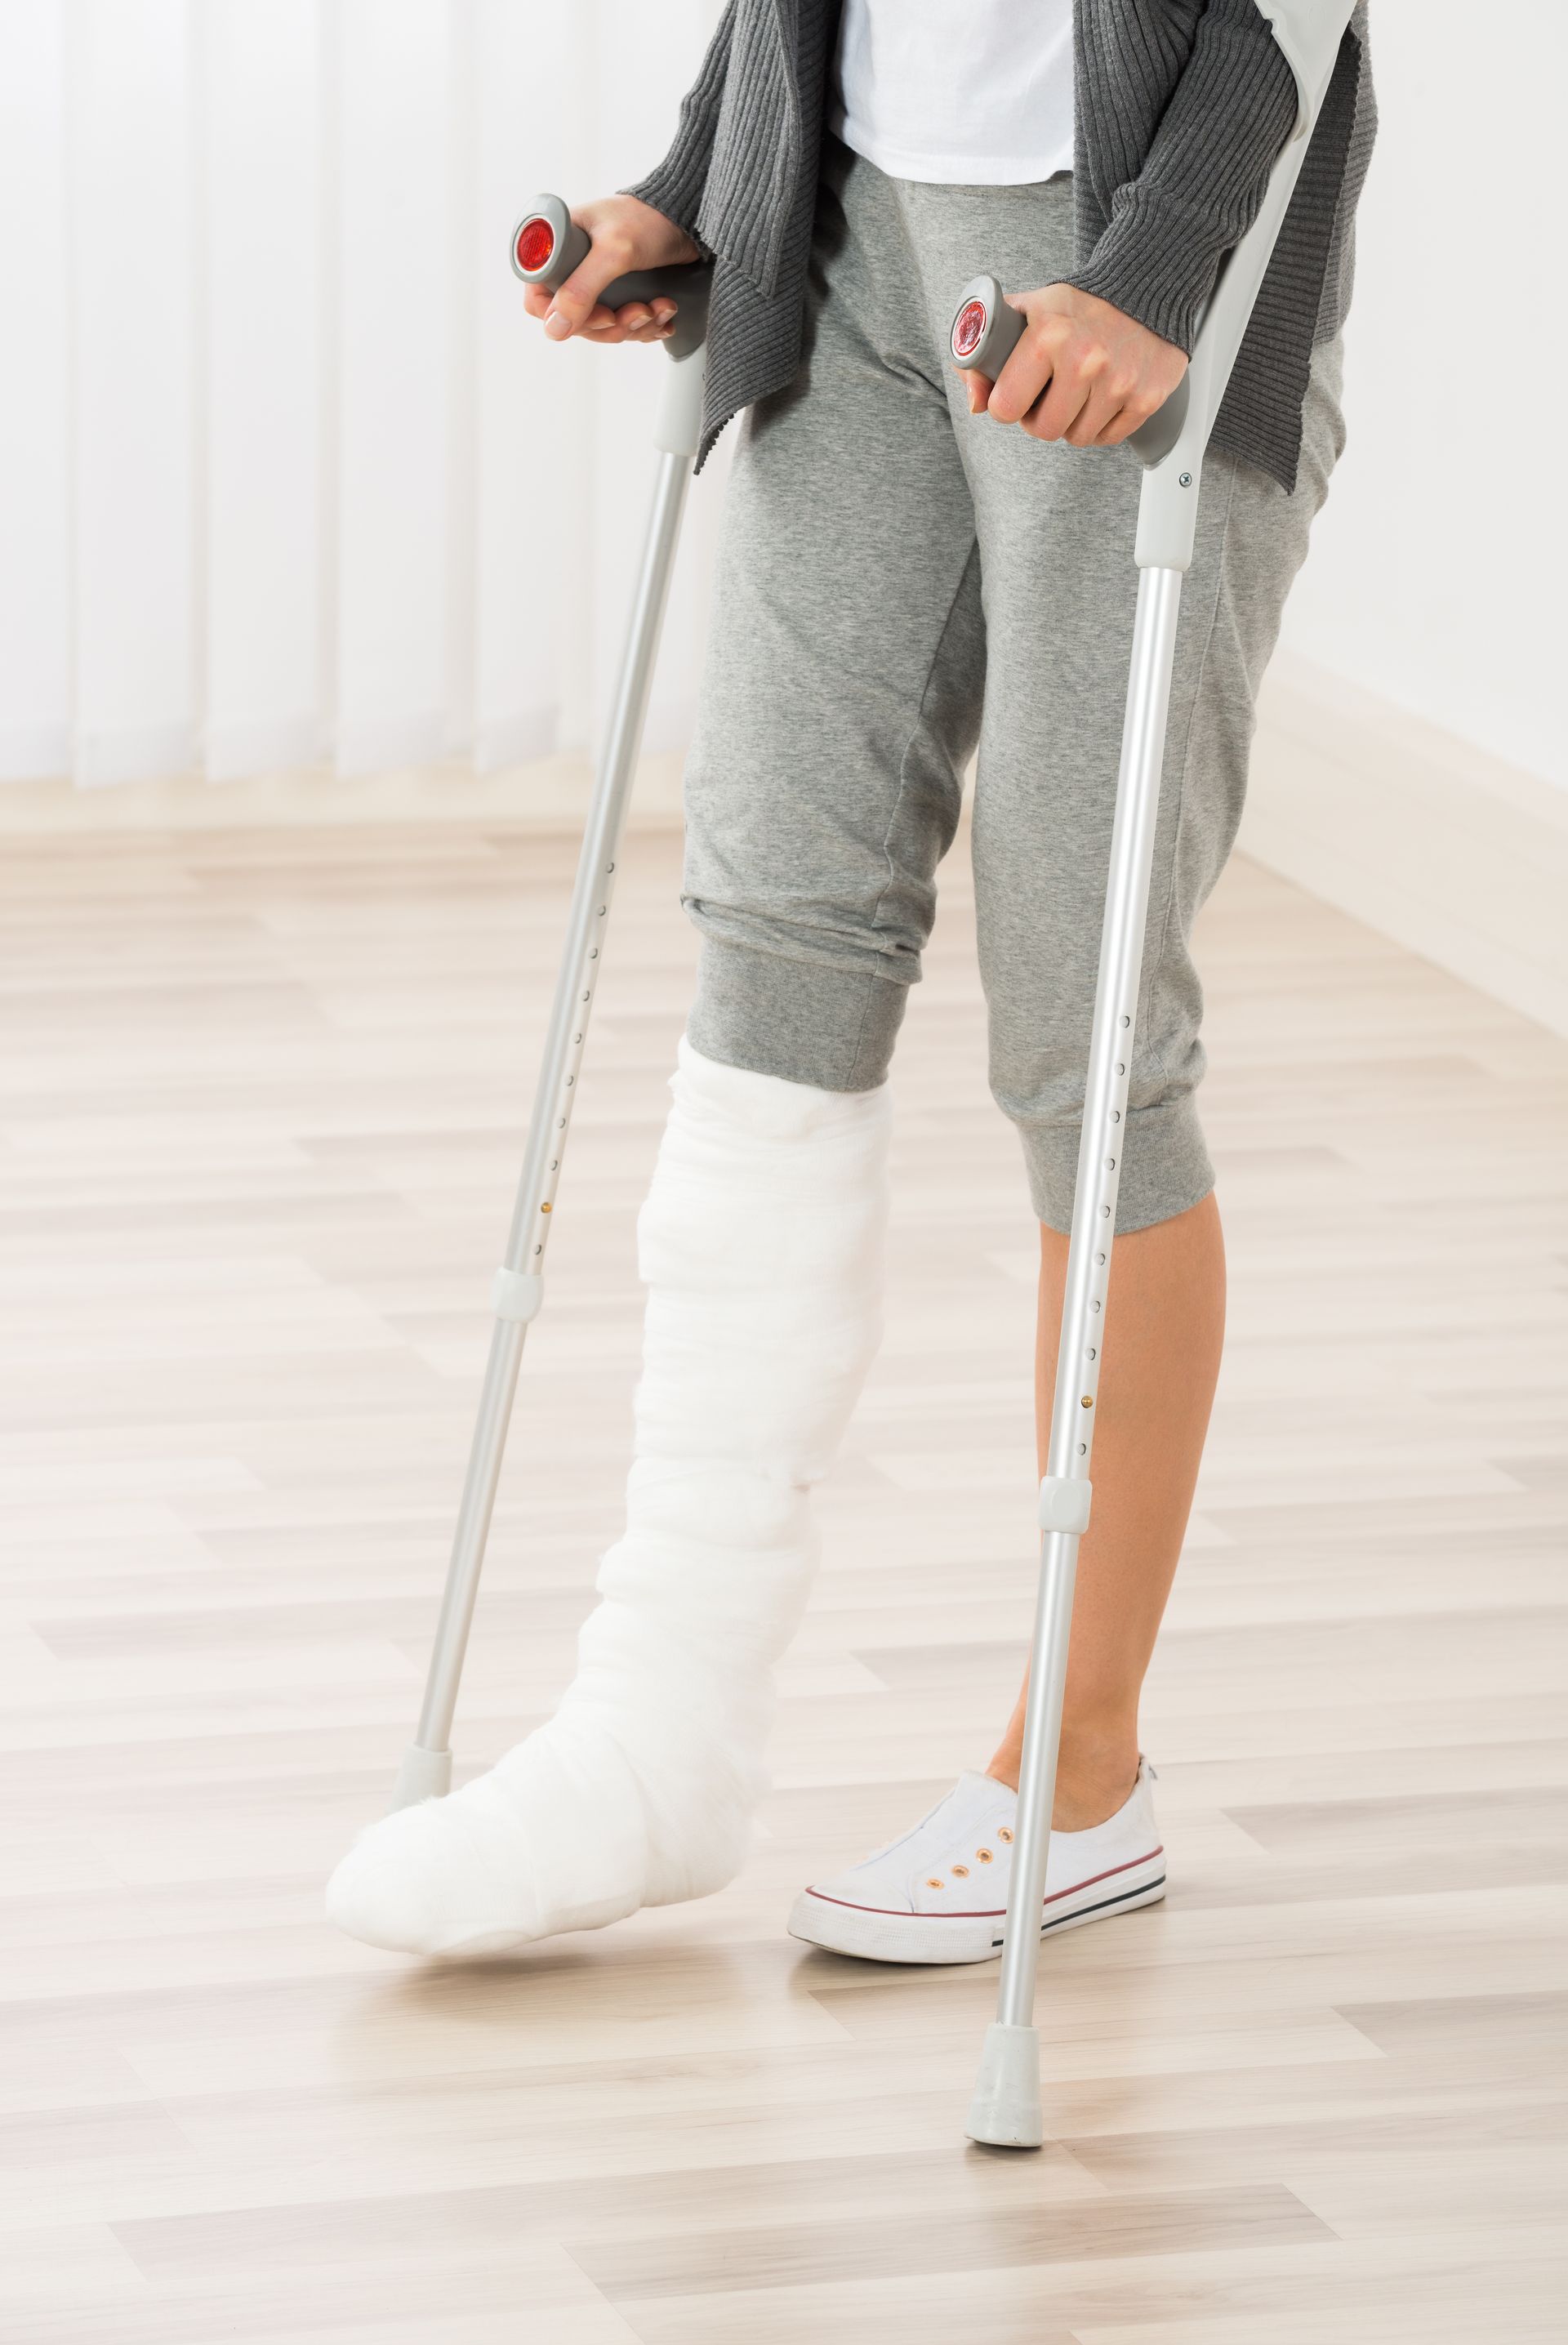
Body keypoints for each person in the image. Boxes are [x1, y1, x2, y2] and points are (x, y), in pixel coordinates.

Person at [327, 0, 1375, 1964]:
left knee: (1087, 1026)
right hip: (855, 234)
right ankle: (664, 1725)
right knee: (778, 941)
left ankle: (1081, 1777)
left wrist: (1159, 270)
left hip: (1131, 263)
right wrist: (694, 178)